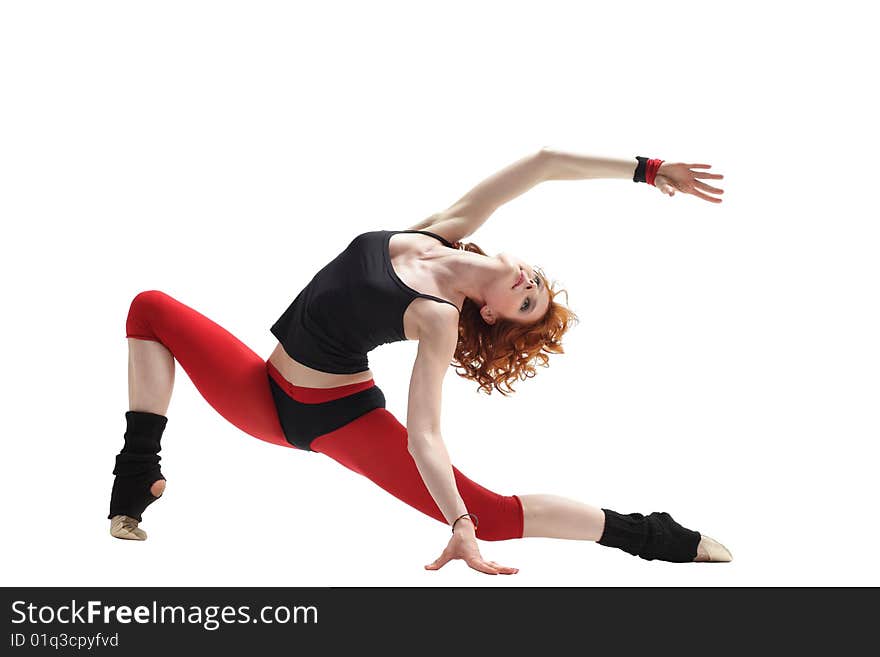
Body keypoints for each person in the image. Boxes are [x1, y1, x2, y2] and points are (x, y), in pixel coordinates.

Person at [109, 147, 732, 574]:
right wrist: (648, 171)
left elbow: (427, 435)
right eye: (536, 282)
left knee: (491, 514)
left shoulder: (435, 315)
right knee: (150, 308)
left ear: (488, 314)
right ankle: (139, 474)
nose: (529, 283)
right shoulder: (437, 229)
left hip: (334, 418)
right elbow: (544, 163)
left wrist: (459, 523)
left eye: (527, 301)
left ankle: (653, 536)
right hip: (262, 392)